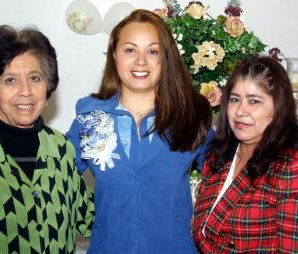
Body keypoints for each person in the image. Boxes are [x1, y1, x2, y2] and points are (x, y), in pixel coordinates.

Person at [66, 9, 213, 254]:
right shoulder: (90, 118)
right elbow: (57, 177)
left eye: (152, 51)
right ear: (114, 55)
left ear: (165, 58)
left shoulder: (191, 117)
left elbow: (230, 175)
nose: (141, 61)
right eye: (130, 50)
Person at [0, 25, 94, 253]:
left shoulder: (61, 149)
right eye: (10, 80)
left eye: (35, 77)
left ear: (47, 88)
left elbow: (93, 220)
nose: (26, 91)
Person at [192, 56, 298, 253]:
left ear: (278, 107)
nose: (241, 111)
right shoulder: (220, 154)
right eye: (235, 99)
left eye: (254, 101)